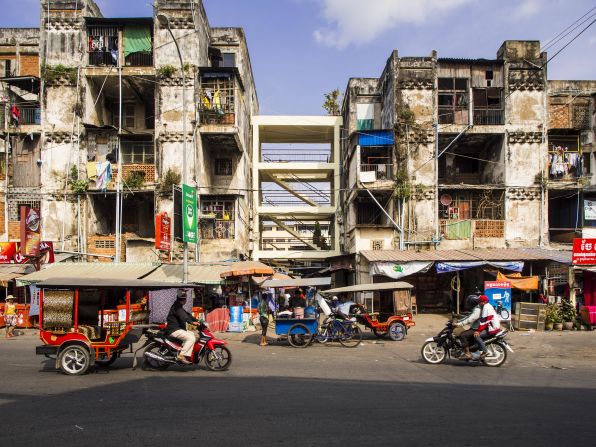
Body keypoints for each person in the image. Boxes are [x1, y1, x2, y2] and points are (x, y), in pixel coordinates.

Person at [166, 290, 199, 364]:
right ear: (184, 300)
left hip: (178, 329)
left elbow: (187, 315)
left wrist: (196, 320)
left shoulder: (179, 306)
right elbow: (184, 317)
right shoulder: (177, 307)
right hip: (174, 330)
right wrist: (192, 322)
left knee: (194, 334)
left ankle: (184, 351)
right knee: (191, 338)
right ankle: (181, 355)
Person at [453, 294, 484, 359]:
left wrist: (459, 324)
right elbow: (468, 317)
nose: (468, 304)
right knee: (464, 333)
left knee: (462, 335)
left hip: (476, 329)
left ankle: (467, 353)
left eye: (468, 302)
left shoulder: (477, 310)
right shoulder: (476, 308)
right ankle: (465, 350)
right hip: (475, 327)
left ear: (471, 303)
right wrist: (458, 321)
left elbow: (470, 319)